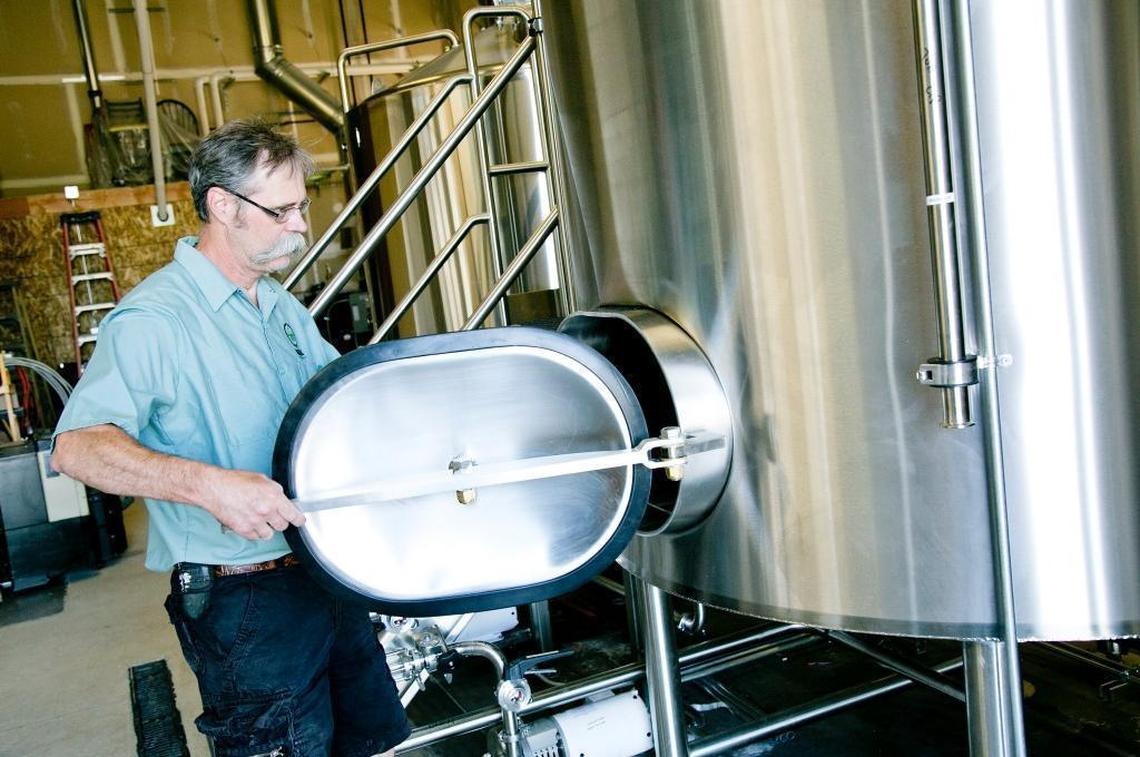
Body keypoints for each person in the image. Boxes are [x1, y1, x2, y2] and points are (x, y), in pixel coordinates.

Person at [52, 118, 410, 757]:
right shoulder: (154, 321)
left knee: (368, 739)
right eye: (283, 210)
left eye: (302, 207)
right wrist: (210, 486)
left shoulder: (278, 306)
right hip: (245, 598)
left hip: (325, 573)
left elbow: (339, 402)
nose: (301, 226)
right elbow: (77, 445)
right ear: (223, 205)